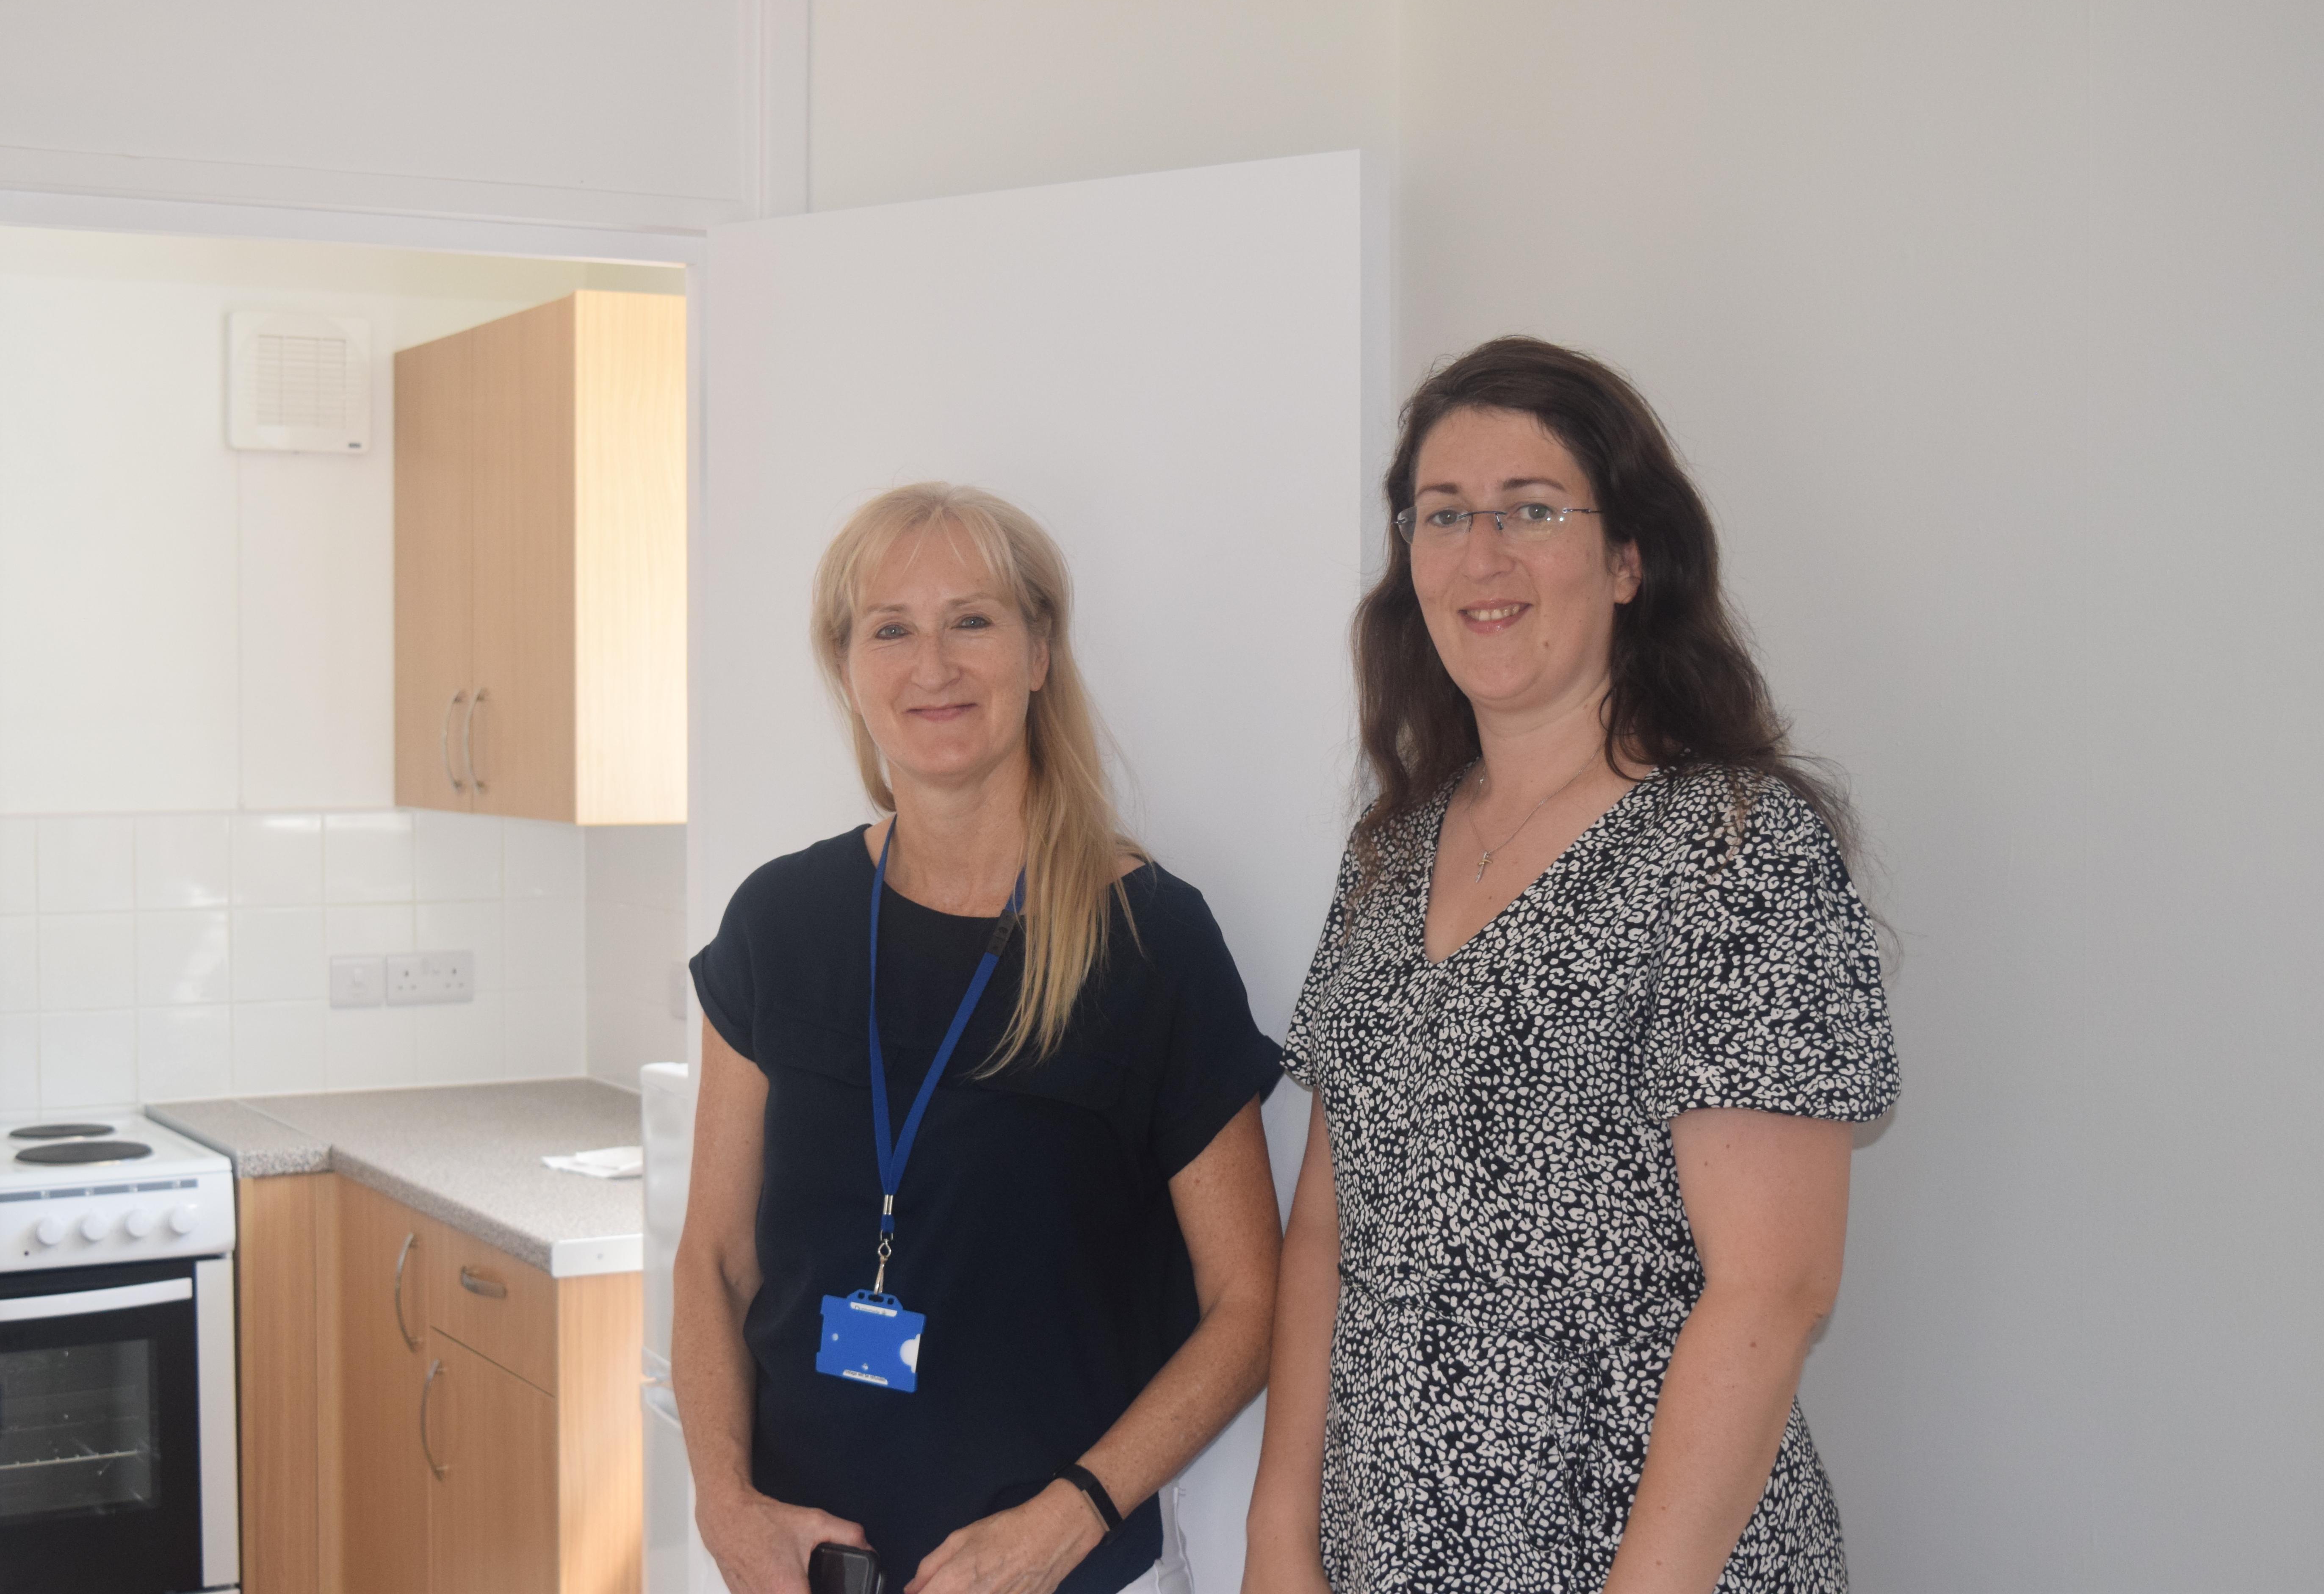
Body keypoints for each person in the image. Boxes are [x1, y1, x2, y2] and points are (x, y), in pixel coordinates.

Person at [1245, 339, 1900, 1594]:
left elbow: (1775, 1288)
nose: (1480, 556)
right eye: (1443, 517)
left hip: (1643, 1560)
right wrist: (1279, 1536)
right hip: (1385, 1558)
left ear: (1627, 561)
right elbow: (1329, 1231)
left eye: (1531, 511)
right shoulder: (1389, 858)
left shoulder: (1734, 850)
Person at [679, 483, 1286, 1594]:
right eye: (891, 629)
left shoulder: (1149, 939)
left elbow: (1251, 1305)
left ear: (1040, 650)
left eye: (973, 620)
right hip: (807, 1570)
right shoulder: (779, 921)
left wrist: (1073, 1516)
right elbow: (717, 1261)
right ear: (848, 667)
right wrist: (725, 1505)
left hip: (1060, 1575)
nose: (934, 666)